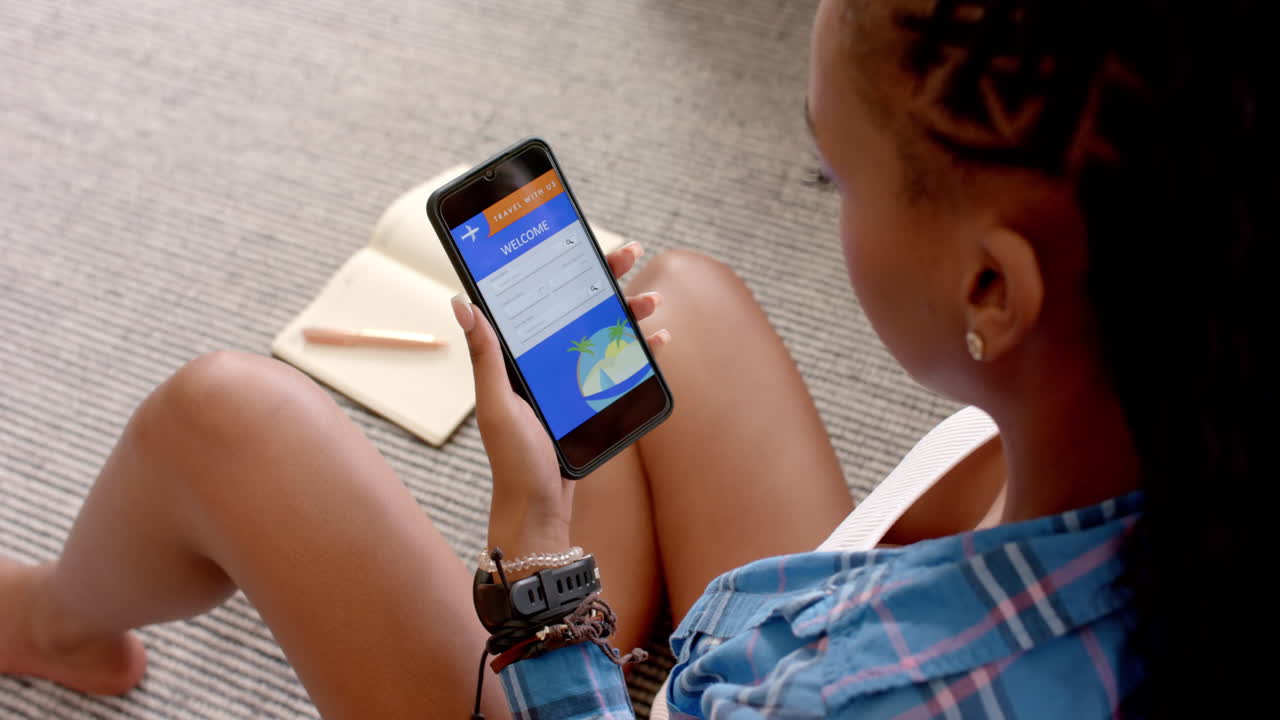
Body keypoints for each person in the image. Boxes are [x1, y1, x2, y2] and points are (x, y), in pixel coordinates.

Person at [1, 0, 1269, 716]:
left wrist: (536, 559)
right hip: (812, 643)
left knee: (222, 418)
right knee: (682, 307)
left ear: (988, 285)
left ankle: (59, 623)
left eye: (833, 176)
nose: (823, 199)